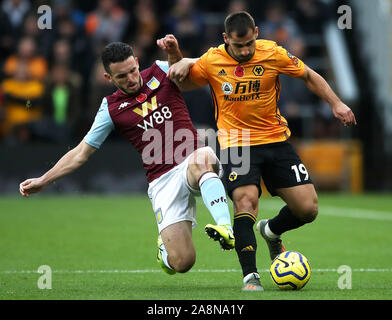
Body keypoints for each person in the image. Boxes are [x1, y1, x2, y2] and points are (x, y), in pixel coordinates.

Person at [157, 11, 357, 291]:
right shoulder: (212, 61)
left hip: (276, 139)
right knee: (246, 202)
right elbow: (180, 81)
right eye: (239, 46)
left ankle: (271, 230)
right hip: (236, 143)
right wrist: (177, 57)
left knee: (308, 208)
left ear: (257, 33)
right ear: (226, 39)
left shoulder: (272, 53)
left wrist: (336, 103)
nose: (245, 50)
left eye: (250, 43)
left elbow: (309, 75)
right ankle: (250, 276)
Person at [19, 41, 235, 275]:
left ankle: (225, 226)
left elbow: (206, 66)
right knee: (183, 262)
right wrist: (43, 180)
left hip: (191, 158)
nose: (131, 78)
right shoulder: (110, 108)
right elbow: (81, 153)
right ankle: (165, 249)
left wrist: (180, 58)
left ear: (137, 63)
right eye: (122, 76)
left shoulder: (160, 70)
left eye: (133, 70)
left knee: (202, 159)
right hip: (162, 180)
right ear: (108, 78)